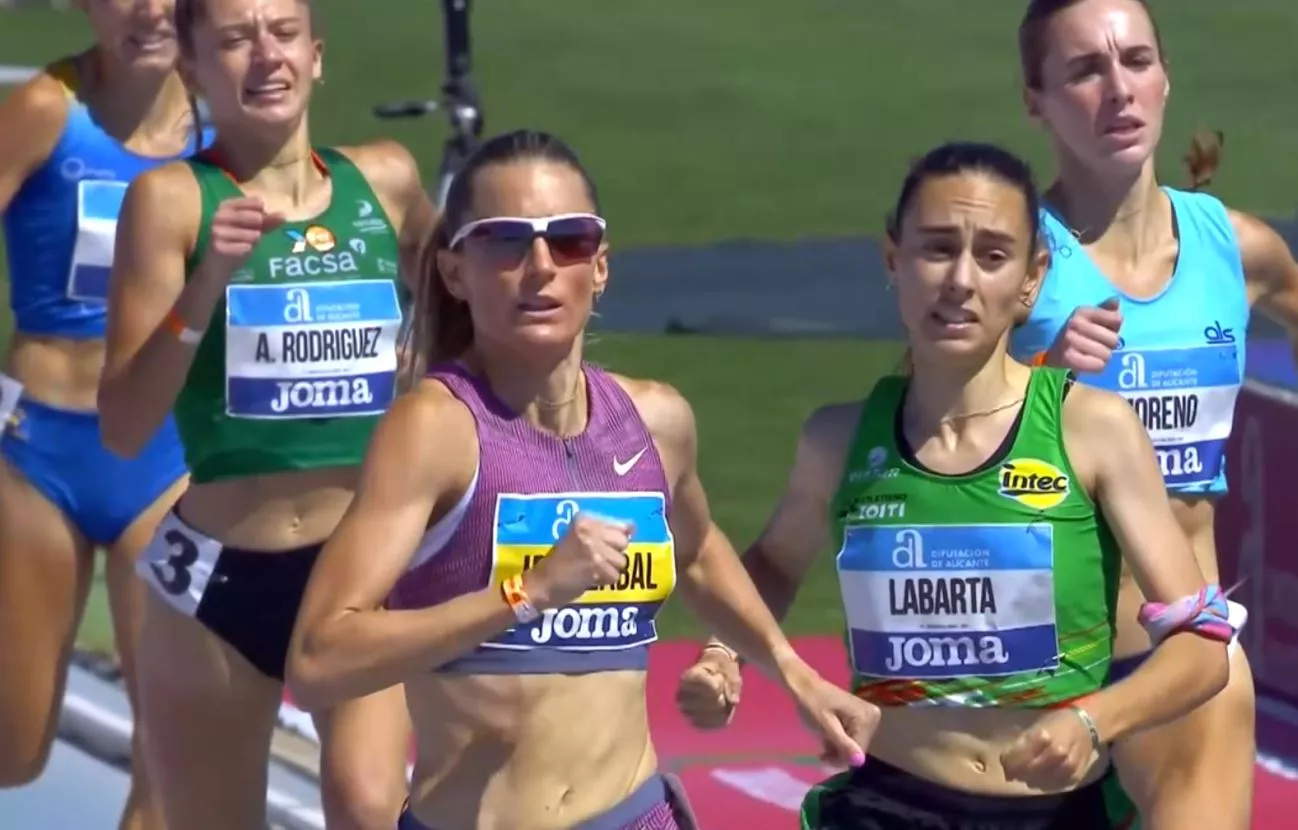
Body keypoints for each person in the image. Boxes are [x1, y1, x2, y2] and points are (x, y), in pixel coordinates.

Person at [286, 127, 881, 830]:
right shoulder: (434, 430)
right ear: (454, 271)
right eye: (505, 240)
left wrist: (789, 672)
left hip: (635, 815)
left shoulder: (654, 421)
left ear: (599, 267)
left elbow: (693, 551)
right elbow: (321, 656)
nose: (539, 265)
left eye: (567, 239)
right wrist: (525, 593)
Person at [677, 141, 1235, 829]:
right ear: (894, 260)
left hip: (1057, 813)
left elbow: (1204, 647)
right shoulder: (839, 442)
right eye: (937, 249)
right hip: (888, 804)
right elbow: (771, 564)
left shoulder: (1093, 430)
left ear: (1032, 280)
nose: (960, 280)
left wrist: (1095, 720)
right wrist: (723, 652)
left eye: (993, 256)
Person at [97, 0, 432, 826]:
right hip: (216, 576)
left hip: (355, 574)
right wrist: (207, 283)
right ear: (194, 70)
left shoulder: (384, 181)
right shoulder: (170, 202)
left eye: (282, 33)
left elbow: (460, 290)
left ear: (316, 56)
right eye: (235, 40)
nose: (265, 57)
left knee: (367, 809)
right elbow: (125, 426)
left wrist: (424, 366)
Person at [1005, 0, 1298, 824]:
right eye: (1085, 70)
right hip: (1029, 674)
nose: (1118, 90)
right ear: (1035, 98)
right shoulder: (1008, 265)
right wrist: (1032, 374)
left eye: (1135, 61)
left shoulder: (1236, 250)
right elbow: (910, 432)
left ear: (1166, 78)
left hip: (1183, 666)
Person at [0, 2, 201, 826]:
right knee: (16, 749)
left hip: (165, 455)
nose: (151, 9)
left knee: (170, 751)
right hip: (41, 452)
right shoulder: (49, 109)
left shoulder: (222, 120)